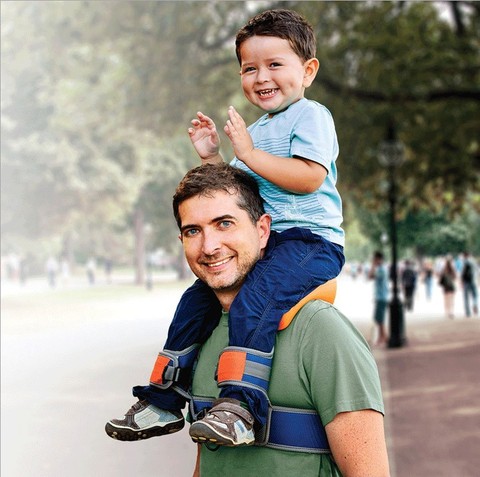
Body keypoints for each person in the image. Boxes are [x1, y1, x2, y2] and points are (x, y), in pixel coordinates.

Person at [106, 9, 345, 446]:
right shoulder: (253, 132)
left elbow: (310, 176)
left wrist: (249, 154)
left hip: (309, 242)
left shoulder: (312, 116)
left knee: (255, 301)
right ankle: (162, 399)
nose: (261, 76)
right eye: (250, 68)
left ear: (308, 70)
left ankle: (240, 408)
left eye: (275, 64)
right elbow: (234, 193)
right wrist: (213, 157)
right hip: (262, 242)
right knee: (194, 303)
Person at [188, 164, 390, 475]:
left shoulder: (321, 331)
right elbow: (210, 463)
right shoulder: (202, 333)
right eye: (193, 231)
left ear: (262, 230)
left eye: (225, 224)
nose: (210, 246)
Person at [368, 251, 389, 346]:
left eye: (375, 259)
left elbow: (370, 276)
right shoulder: (382, 269)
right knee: (379, 319)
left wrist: (373, 265)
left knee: (380, 319)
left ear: (378, 259)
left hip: (381, 297)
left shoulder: (381, 270)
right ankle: (382, 337)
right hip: (381, 296)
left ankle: (383, 338)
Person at [461, 252, 478, 318]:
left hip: (466, 281)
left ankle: (467, 312)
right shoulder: (473, 261)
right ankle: (475, 303)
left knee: (466, 297)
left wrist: (461, 281)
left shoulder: (464, 262)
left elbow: (462, 273)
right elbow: (477, 270)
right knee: (475, 295)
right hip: (473, 280)